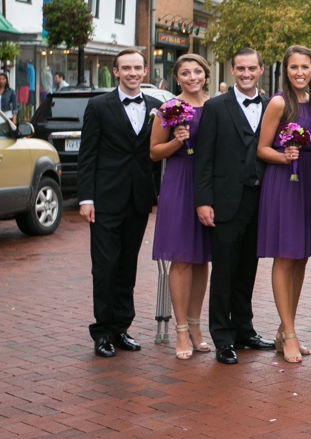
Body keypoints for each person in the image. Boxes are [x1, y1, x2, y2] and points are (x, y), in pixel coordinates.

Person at [77, 49, 162, 358]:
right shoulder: (99, 106)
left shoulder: (156, 107)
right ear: (115, 71)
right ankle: (101, 331)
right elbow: (87, 155)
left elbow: (156, 155)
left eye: (137, 67)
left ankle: (121, 327)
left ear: (144, 70)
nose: (132, 72)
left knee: (127, 266)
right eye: (126, 68)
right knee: (104, 267)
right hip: (104, 199)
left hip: (138, 199)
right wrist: (86, 198)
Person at [194, 48, 276, 365]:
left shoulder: (272, 105)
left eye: (251, 68)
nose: (245, 74)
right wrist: (203, 200)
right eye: (240, 69)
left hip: (262, 199)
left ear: (260, 69)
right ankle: (223, 336)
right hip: (226, 200)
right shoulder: (215, 107)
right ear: (232, 70)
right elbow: (203, 159)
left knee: (248, 268)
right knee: (224, 271)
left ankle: (244, 329)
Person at [256, 46, 311, 364]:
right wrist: (284, 156)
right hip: (284, 183)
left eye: (305, 67)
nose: (299, 72)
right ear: (286, 70)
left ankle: (285, 329)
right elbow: (261, 149)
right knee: (284, 257)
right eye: (293, 67)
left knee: (301, 259)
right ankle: (291, 334)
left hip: (309, 185)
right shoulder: (280, 102)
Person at [150, 54, 212, 360]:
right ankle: (180, 330)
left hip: (207, 184)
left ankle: (197, 325)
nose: (192, 77)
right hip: (179, 182)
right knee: (182, 259)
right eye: (185, 72)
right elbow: (154, 152)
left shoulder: (214, 106)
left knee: (202, 260)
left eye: (197, 71)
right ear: (177, 77)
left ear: (205, 75)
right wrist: (176, 141)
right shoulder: (168, 109)